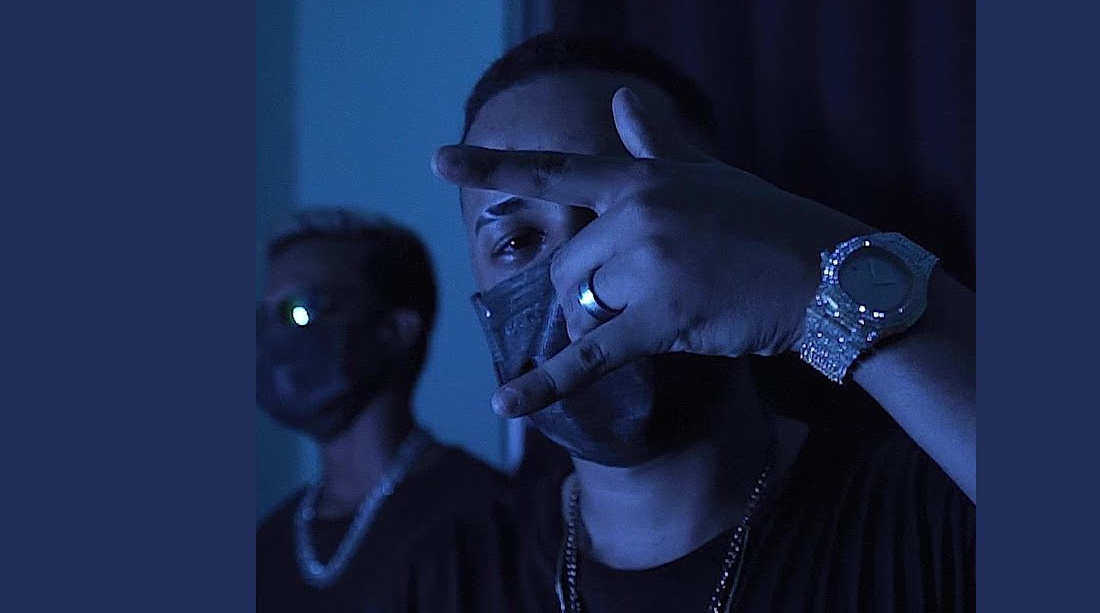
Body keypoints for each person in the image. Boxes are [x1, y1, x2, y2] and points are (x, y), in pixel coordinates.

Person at [382, 34, 976, 612]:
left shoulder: (930, 517)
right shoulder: (446, 579)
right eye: (516, 241)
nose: (580, 277)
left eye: (617, 210)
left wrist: (818, 284)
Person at [256, 208, 507, 612]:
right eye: (264, 319)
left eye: (300, 311)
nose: (274, 339)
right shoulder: (268, 545)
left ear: (395, 330)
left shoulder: (488, 518)